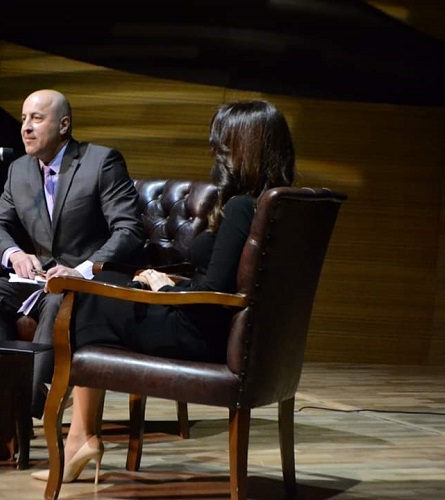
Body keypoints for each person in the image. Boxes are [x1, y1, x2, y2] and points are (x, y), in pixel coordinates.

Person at [31, 99, 296, 483]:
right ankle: (81, 436)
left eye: (220, 144)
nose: (214, 152)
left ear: (242, 148)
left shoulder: (241, 208)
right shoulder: (281, 206)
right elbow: (234, 286)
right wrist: (174, 282)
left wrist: (160, 285)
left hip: (200, 333)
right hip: (236, 333)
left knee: (85, 295)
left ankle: (76, 432)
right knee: (103, 289)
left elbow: (214, 293)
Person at [0, 89, 145, 419]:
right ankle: (7, 393)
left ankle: (21, 407)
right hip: (41, 279)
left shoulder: (101, 162)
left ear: (63, 125)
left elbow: (129, 230)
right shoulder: (19, 170)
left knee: (56, 300)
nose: (26, 128)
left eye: (37, 118)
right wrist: (13, 252)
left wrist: (83, 270)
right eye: (23, 119)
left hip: (90, 283)